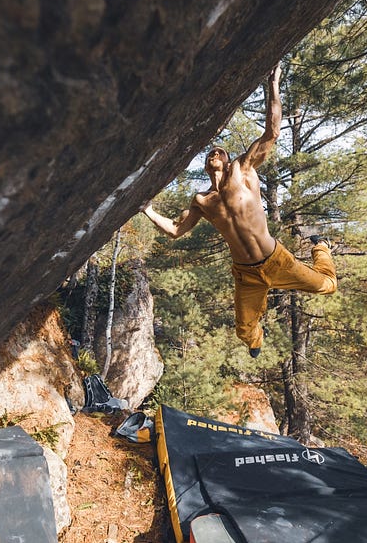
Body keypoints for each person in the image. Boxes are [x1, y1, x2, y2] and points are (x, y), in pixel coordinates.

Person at [140, 63, 336, 358]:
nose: (215, 153)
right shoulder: (202, 201)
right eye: (210, 153)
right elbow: (175, 231)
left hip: (277, 261)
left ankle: (321, 246)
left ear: (229, 158)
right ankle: (257, 339)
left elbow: (272, 131)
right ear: (206, 164)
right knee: (243, 330)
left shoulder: (242, 170)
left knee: (327, 285)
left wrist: (273, 83)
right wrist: (147, 210)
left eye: (220, 151)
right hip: (247, 275)